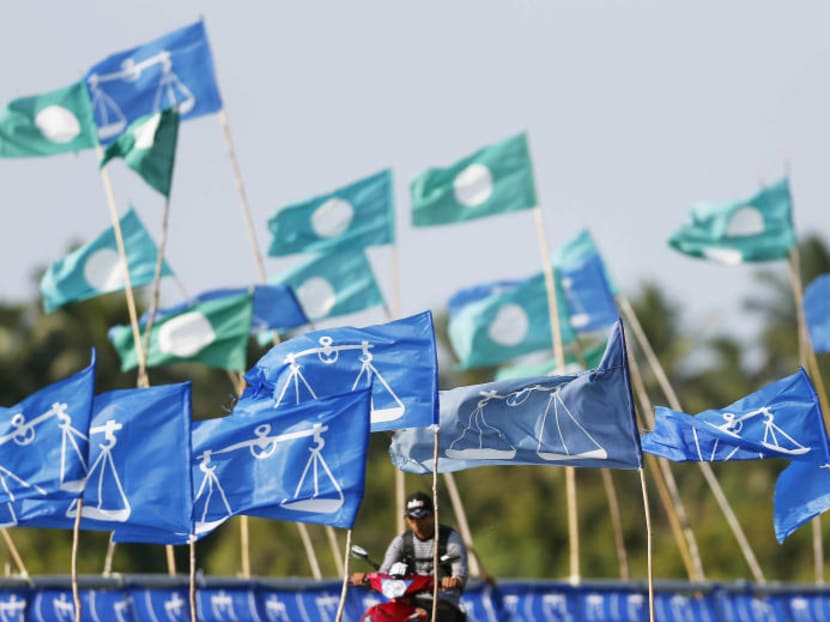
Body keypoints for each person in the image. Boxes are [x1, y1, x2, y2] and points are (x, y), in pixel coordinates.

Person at [351, 491, 468, 622]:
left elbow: (460, 571)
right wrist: (367, 578)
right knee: (375, 616)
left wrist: (453, 580)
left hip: (440, 600)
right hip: (407, 600)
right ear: (407, 519)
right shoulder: (401, 542)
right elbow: (385, 571)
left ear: (433, 515)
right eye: (412, 518)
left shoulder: (450, 538)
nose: (417, 523)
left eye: (422, 517)